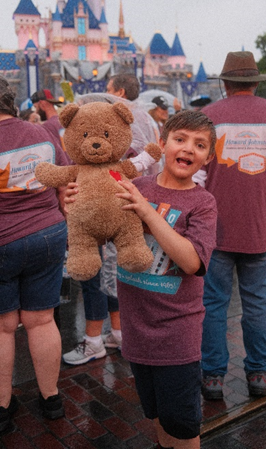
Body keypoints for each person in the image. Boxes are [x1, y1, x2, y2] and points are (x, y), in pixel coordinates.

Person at [65, 110, 218, 449]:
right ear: (162, 144)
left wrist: (147, 211)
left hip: (177, 336)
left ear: (209, 156)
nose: (189, 149)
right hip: (136, 333)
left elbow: (193, 262)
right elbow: (101, 229)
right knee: (157, 417)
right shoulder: (136, 185)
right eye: (180, 139)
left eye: (200, 145)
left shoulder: (203, 203)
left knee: (182, 426)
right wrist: (73, 206)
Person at [200, 51, 266, 400]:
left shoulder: (207, 116)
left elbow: (195, 176)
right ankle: (259, 373)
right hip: (260, 228)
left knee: (213, 303)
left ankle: (213, 376)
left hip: (214, 230)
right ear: (257, 83)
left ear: (224, 83)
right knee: (257, 301)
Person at [62, 92, 161, 365]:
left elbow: (130, 175)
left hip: (116, 221)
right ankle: (118, 334)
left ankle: (94, 341)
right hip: (105, 221)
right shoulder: (116, 145)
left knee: (96, 282)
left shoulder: (119, 150)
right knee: (108, 279)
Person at [0, 77, 68, 432]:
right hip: (47, 234)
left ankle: (2, 405)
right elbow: (65, 181)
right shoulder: (41, 134)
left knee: (3, 328)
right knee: (42, 321)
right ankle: (51, 398)